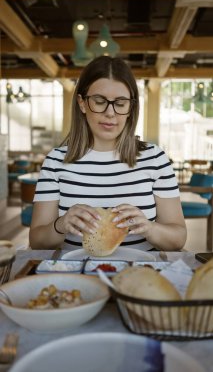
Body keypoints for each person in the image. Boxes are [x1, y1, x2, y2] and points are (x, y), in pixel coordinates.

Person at [30, 56, 187, 251]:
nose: (110, 113)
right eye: (99, 101)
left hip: (139, 275)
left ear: (131, 108)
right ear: (82, 103)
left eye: (120, 103)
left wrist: (149, 228)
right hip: (74, 276)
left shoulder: (155, 159)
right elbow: (37, 241)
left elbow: (179, 238)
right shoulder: (55, 161)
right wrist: (61, 224)